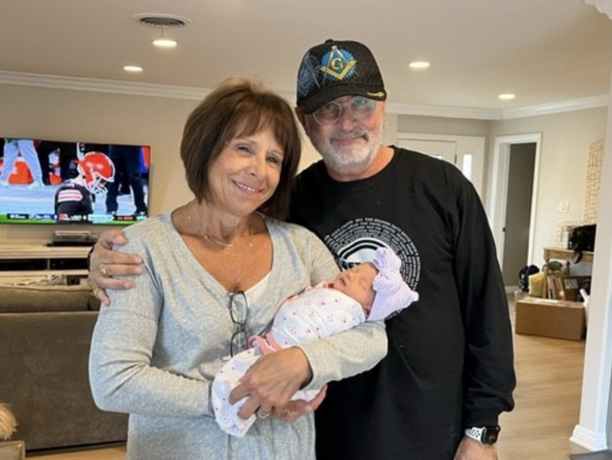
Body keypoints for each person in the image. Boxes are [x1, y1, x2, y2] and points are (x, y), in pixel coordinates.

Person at [88, 40, 516, 460]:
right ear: (306, 120)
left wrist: (482, 429)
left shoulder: (442, 188)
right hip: (323, 431)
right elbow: (119, 367)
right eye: (329, 109)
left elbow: (487, 312)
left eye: (361, 104)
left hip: (427, 430)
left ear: (383, 105)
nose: (347, 122)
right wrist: (104, 256)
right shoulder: (290, 202)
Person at [87, 77, 387, 460]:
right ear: (205, 150)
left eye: (273, 159)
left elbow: (372, 336)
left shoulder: (301, 246)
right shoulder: (143, 250)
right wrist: (233, 393)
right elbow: (113, 379)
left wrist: (305, 363)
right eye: (244, 149)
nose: (259, 171)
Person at [213, 246, 419, 437]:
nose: (351, 274)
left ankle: (232, 413)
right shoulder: (330, 286)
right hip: (269, 350)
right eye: (354, 269)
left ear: (367, 309)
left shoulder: (349, 310)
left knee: (242, 389)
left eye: (362, 283)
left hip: (281, 362)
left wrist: (304, 360)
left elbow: (373, 341)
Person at [54, 151, 115, 219]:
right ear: (88, 173)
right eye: (101, 181)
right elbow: (63, 224)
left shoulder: (86, 189)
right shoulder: (72, 192)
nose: (102, 185)